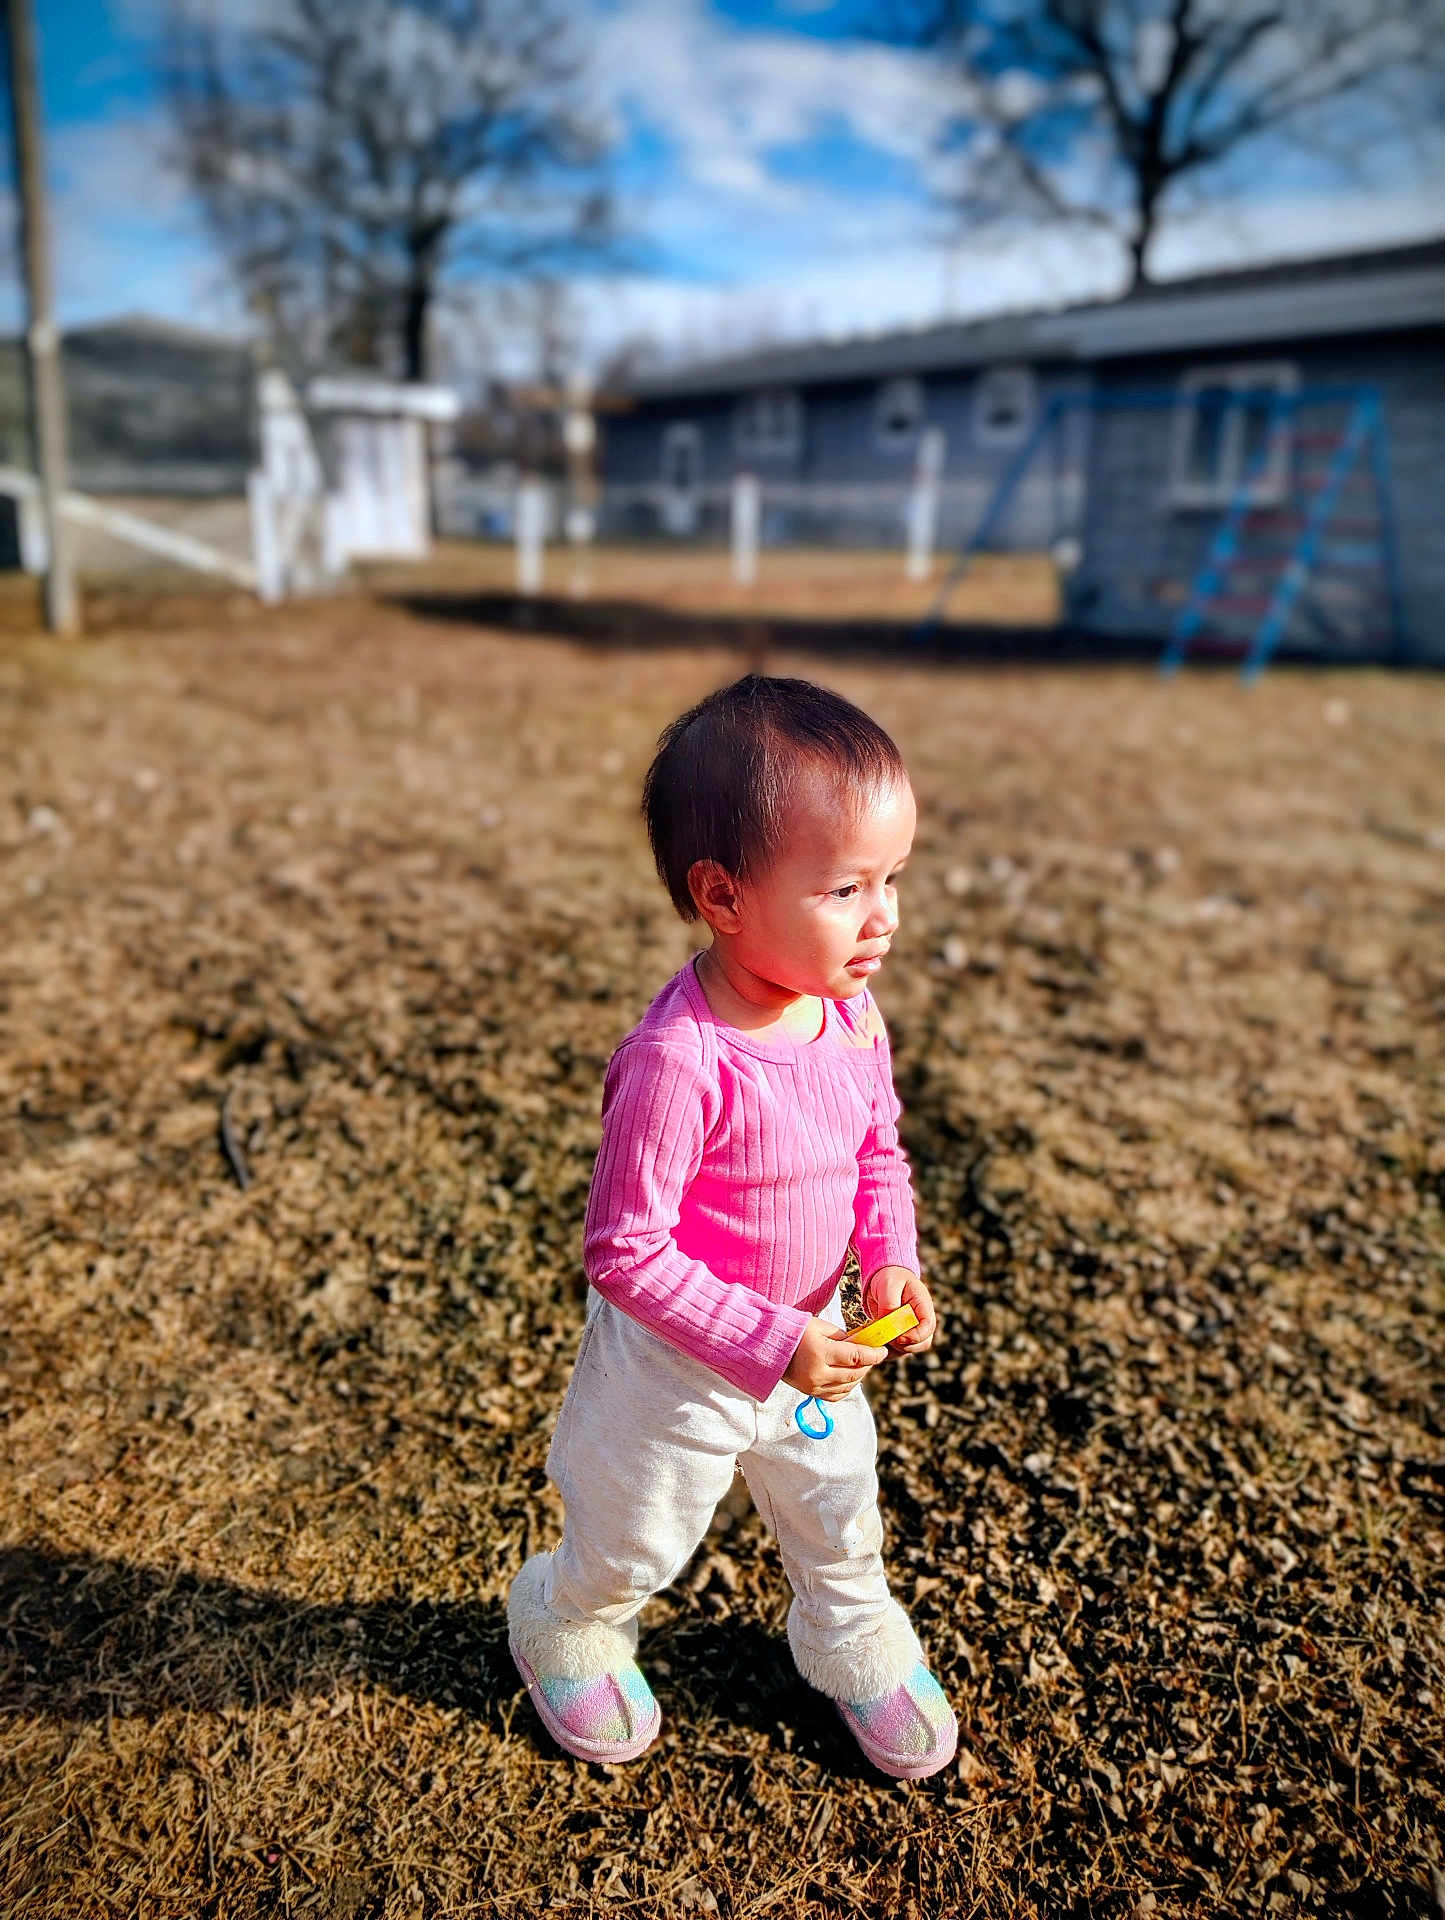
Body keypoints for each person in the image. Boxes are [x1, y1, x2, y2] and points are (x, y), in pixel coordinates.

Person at [507, 673, 957, 1780]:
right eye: (846, 887)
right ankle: (568, 1615)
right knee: (636, 1531)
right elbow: (623, 1250)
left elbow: (874, 1151)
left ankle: (847, 1630)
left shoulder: (849, 1016)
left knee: (838, 1513)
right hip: (677, 1368)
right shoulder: (678, 1063)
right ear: (721, 895)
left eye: (891, 879)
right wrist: (767, 1341)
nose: (885, 915)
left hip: (812, 1351)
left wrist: (888, 1258)